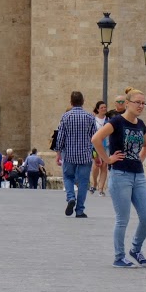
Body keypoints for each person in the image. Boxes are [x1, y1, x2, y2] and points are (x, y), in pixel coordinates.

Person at [94, 89, 146, 267]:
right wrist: (108, 159)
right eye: (137, 102)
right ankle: (119, 257)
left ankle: (135, 248)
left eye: (143, 103)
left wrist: (139, 159)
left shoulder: (140, 124)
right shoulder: (117, 122)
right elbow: (96, 139)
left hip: (138, 175)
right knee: (123, 219)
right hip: (120, 175)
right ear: (127, 103)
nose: (141, 106)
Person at [55, 90, 98, 218]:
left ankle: (70, 198)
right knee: (84, 182)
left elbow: (60, 137)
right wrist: (97, 156)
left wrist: (58, 153)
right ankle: (79, 210)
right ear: (83, 101)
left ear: (71, 102)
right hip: (85, 155)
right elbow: (95, 138)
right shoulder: (90, 117)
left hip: (69, 154)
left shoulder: (66, 117)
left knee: (68, 177)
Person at [89, 101, 110, 196]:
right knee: (96, 165)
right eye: (102, 107)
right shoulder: (92, 120)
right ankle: (94, 183)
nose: (104, 109)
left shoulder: (109, 120)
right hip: (95, 146)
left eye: (105, 107)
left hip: (107, 145)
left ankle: (101, 188)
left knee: (104, 166)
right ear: (97, 109)